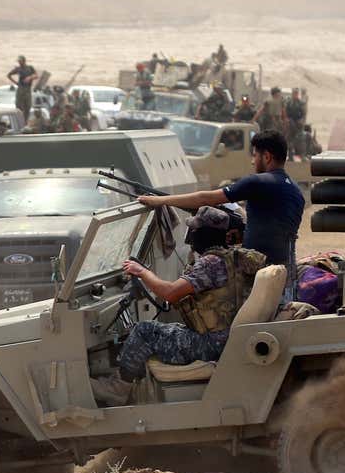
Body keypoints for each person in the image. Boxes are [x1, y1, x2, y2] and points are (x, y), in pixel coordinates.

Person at [91, 206, 265, 406]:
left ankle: (118, 390)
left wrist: (142, 272)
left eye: (194, 230)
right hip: (228, 337)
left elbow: (171, 292)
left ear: (201, 234)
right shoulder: (237, 258)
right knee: (165, 329)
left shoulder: (210, 263)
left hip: (210, 345)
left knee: (144, 331)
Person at [137, 131, 304, 270]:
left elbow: (205, 198)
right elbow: (276, 227)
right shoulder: (297, 193)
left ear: (267, 157)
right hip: (286, 269)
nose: (253, 161)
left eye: (255, 156)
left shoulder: (258, 182)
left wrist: (160, 201)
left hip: (257, 270)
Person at [285, 89, 308, 158]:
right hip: (291, 123)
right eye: (294, 93)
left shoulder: (301, 103)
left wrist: (302, 120)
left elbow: (304, 113)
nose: (295, 95)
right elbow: (286, 112)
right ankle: (290, 156)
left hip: (298, 123)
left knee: (301, 140)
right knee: (289, 140)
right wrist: (287, 120)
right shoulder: (289, 103)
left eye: (296, 93)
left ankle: (302, 156)